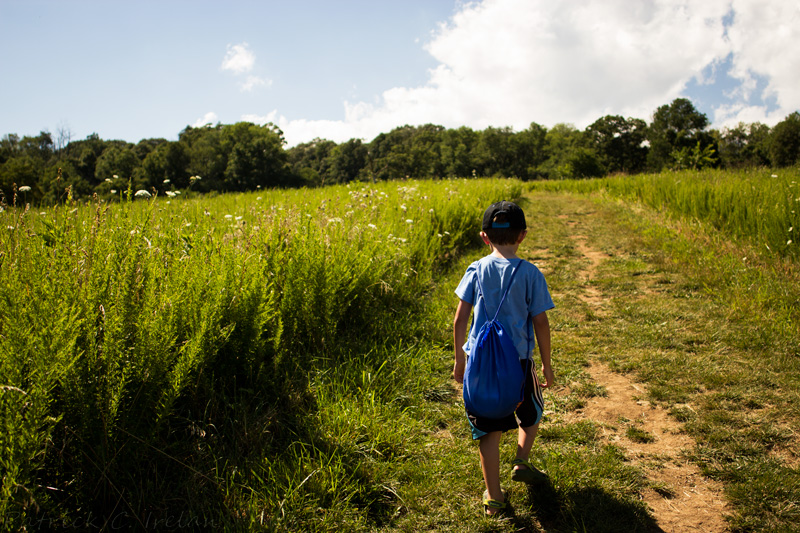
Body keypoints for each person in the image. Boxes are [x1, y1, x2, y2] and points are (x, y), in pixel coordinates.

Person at [452, 200, 554, 516]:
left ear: (485, 237)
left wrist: (459, 360)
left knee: (488, 429)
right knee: (532, 411)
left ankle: (494, 498)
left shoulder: (475, 270)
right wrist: (547, 365)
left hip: (480, 365)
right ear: (522, 235)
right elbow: (540, 322)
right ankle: (521, 459)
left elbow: (459, 319)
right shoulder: (531, 273)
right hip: (519, 363)